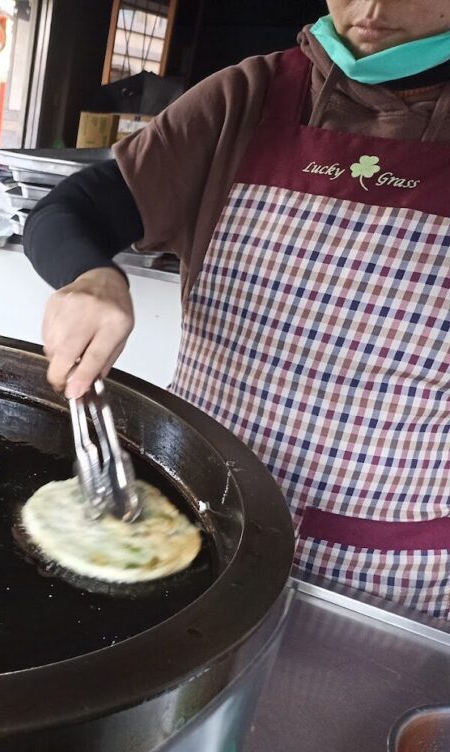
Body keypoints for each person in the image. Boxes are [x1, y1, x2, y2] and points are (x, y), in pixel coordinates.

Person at [23, 0, 450, 618]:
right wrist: (91, 277)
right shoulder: (249, 96)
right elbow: (70, 210)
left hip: (380, 564)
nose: (373, 6)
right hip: (191, 511)